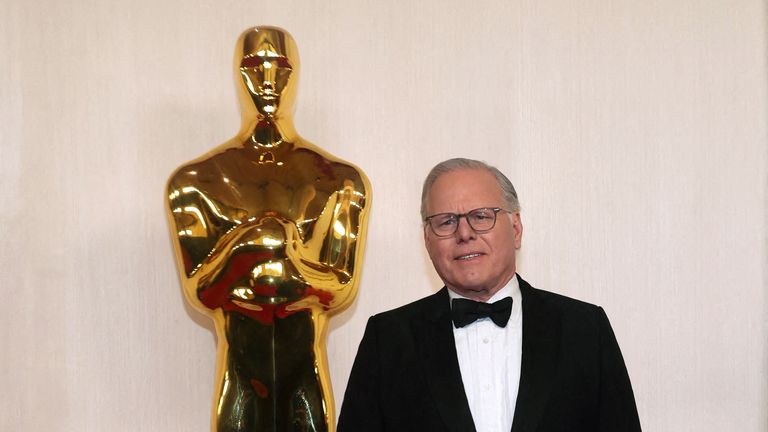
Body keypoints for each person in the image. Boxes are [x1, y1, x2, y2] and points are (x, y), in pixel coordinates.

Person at [337, 158, 640, 432]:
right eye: (446, 221)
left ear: (516, 228)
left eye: (482, 216)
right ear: (427, 241)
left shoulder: (585, 329)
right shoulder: (387, 339)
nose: (465, 233)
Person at [166, 27, 370, 432]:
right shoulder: (195, 181)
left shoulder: (340, 181)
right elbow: (202, 292)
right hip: (239, 375)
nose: (267, 79)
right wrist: (252, 243)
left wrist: (283, 262)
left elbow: (340, 289)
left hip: (306, 375)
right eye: (253, 66)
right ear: (236, 75)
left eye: (280, 66)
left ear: (296, 75)